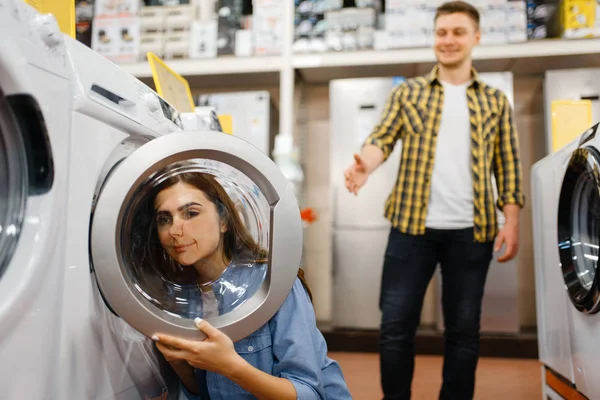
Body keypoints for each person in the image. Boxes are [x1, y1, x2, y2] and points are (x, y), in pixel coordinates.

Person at [343, 2, 524, 399]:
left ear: (476, 37)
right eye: (441, 32)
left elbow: (507, 166)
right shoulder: (409, 92)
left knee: (463, 332)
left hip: (472, 232)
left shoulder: (494, 101)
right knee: (395, 327)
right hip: (411, 229)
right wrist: (365, 165)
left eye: (458, 32)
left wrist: (510, 221)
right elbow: (381, 139)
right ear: (433, 38)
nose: (448, 40)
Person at [136, 164, 351, 400]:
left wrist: (230, 366)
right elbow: (209, 392)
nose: (175, 230)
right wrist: (178, 364)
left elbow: (308, 393)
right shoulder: (176, 298)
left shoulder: (270, 284)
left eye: (191, 213)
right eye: (164, 219)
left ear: (224, 221)